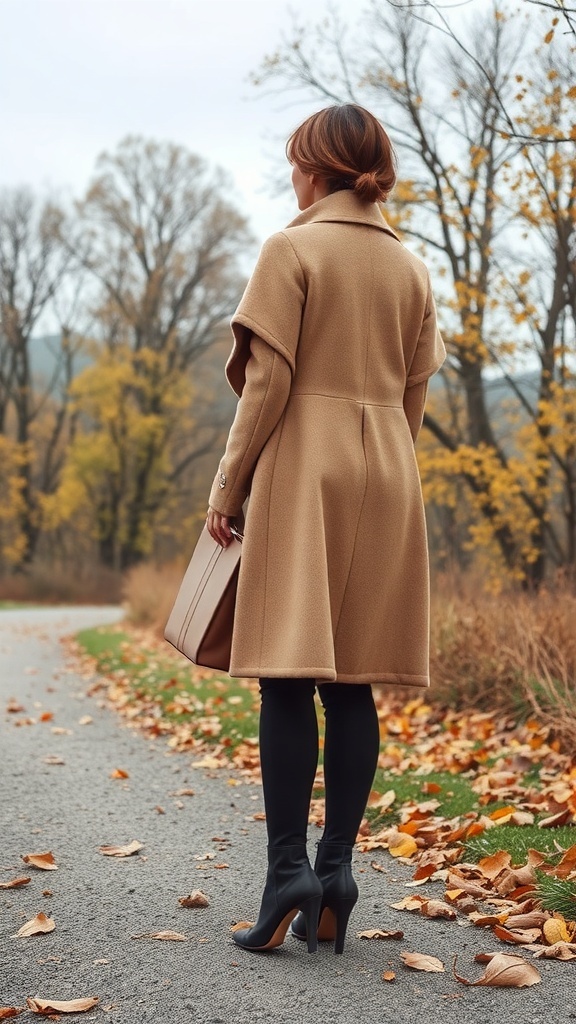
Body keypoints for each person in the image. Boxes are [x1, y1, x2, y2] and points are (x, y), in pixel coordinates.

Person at [206, 104, 445, 955]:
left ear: (318, 169)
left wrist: (227, 488)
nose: (291, 178)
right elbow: (414, 396)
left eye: (296, 163)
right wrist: (381, 465)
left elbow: (266, 388)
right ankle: (337, 872)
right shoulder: (412, 270)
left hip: (304, 466)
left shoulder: (291, 249)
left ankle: (287, 875)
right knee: (351, 683)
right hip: (387, 471)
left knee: (284, 675)